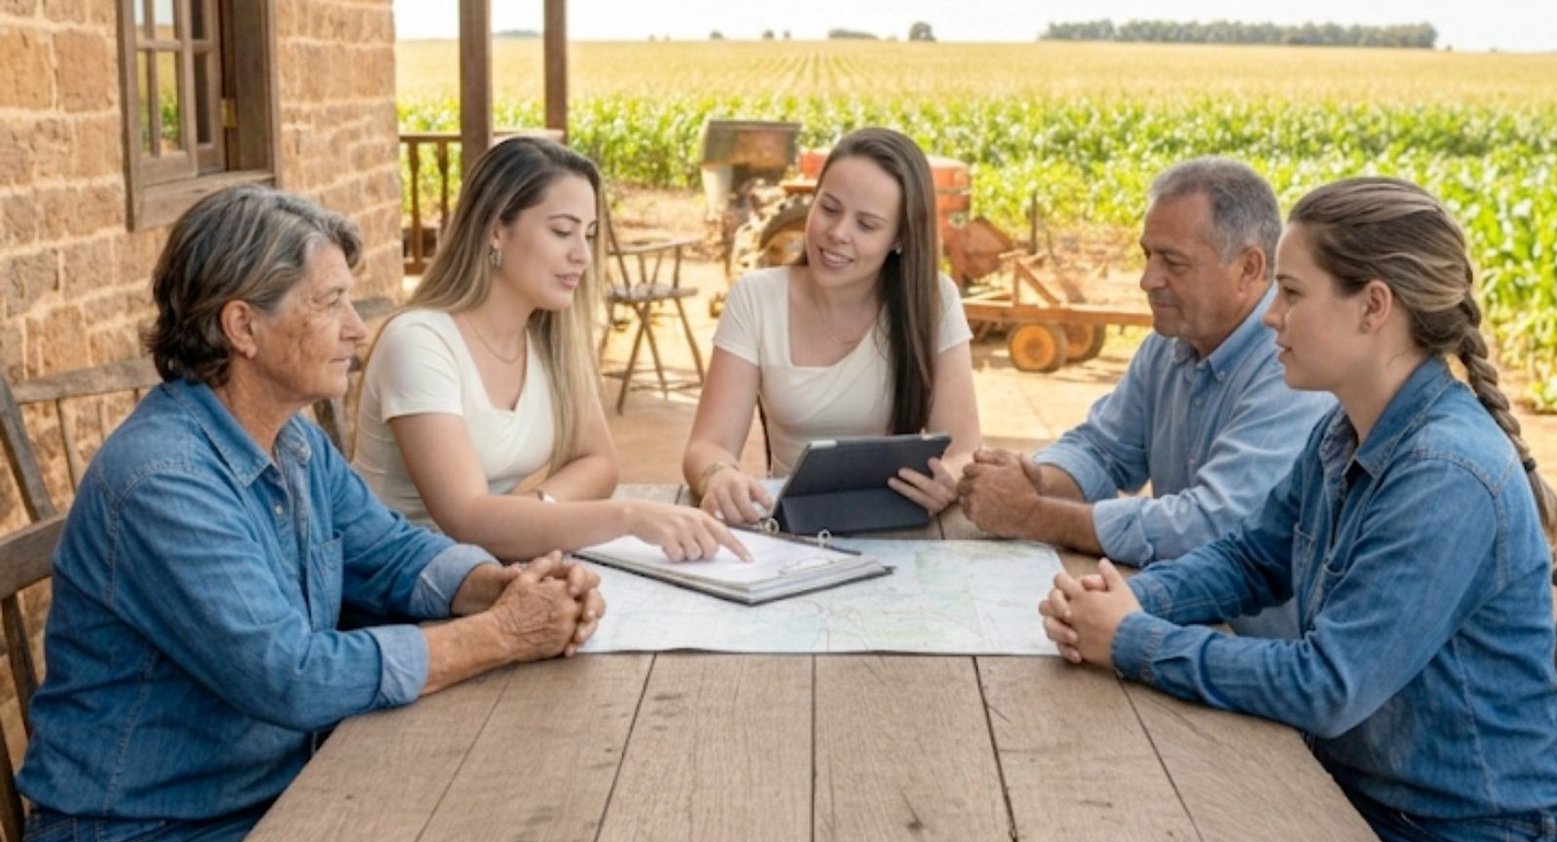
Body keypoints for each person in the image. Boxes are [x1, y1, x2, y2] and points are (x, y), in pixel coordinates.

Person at [16, 185, 608, 842]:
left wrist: (499, 587)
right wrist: (502, 635)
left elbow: (389, 551)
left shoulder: (293, 439)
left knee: (509, 830)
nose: (358, 328)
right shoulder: (165, 480)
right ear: (243, 326)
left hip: (275, 795)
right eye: (330, 303)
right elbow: (290, 673)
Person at [1042, 177, 1557, 842]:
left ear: (1374, 307)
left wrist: (1136, 637)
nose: (1270, 317)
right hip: (1353, 804)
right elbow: (1251, 557)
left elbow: (1327, 685)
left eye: (1292, 294)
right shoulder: (1342, 430)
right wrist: (1124, 596)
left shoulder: (1446, 474)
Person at [958, 157, 1332, 637]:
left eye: (1173, 262)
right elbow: (1102, 448)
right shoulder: (1171, 341)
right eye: (1147, 255)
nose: (1148, 280)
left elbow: (1210, 526)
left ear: (1249, 268)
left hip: (1259, 661)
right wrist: (1036, 478)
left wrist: (1032, 514)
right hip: (1185, 627)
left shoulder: (1290, 366)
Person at [353, 136, 747, 563]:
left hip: (488, 569)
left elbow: (598, 463)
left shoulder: (547, 338)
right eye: (562, 231)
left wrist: (533, 511)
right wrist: (630, 517)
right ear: (496, 228)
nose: (582, 255)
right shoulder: (419, 342)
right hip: (398, 588)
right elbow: (465, 517)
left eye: (589, 234)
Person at [682, 127, 980, 526]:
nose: (838, 233)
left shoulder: (934, 299)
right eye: (829, 208)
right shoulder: (755, 298)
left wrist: (950, 478)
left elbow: (963, 449)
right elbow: (708, 445)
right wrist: (719, 475)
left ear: (900, 238)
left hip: (902, 530)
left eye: (867, 225)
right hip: (789, 532)